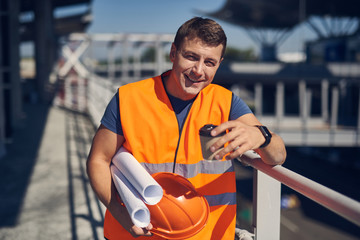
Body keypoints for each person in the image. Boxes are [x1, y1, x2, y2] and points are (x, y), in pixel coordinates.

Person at [86, 17, 286, 240]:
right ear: (173, 53)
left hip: (208, 235)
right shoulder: (128, 99)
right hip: (137, 233)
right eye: (191, 57)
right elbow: (98, 160)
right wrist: (123, 215)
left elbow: (277, 155)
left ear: (219, 63)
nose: (198, 70)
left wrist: (262, 136)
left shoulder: (227, 103)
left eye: (210, 62)